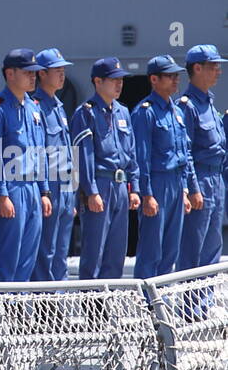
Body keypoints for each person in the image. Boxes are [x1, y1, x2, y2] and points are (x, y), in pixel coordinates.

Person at [70, 57, 138, 280]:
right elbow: (84, 156)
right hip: (100, 184)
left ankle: (110, 309)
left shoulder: (123, 112)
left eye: (121, 80)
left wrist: (134, 187)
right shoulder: (86, 113)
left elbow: (131, 153)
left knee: (116, 252)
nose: (119, 84)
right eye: (113, 80)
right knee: (94, 252)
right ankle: (93, 310)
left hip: (120, 186)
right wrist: (90, 191)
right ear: (97, 81)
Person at [0, 48, 49, 282]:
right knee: (7, 255)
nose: (33, 77)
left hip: (32, 188)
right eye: (27, 72)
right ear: (10, 74)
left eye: (35, 72)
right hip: (12, 188)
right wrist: (2, 194)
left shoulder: (33, 108)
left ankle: (19, 310)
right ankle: (0, 311)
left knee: (28, 257)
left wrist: (44, 191)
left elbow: (39, 151)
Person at [132, 55, 195, 279]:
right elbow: (142, 157)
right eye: (169, 76)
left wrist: (186, 190)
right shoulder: (145, 112)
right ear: (154, 79)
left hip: (177, 184)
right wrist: (147, 194)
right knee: (152, 249)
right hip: (157, 184)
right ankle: (148, 304)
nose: (176, 80)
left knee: (171, 249)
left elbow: (184, 153)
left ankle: (163, 300)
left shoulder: (177, 112)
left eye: (176, 75)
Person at [177, 45, 227, 269]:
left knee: (212, 246)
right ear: (197, 68)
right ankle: (191, 304)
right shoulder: (188, 107)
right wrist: (193, 188)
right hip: (201, 181)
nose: (219, 71)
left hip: (216, 180)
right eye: (213, 66)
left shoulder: (209, 103)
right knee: (193, 247)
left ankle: (205, 302)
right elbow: (185, 151)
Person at [31, 48, 76, 281]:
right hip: (50, 185)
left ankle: (59, 300)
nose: (62, 75)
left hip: (65, 187)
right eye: (57, 70)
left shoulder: (58, 106)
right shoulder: (36, 106)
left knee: (61, 252)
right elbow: (37, 153)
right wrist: (44, 191)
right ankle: (45, 308)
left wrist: (72, 195)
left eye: (63, 70)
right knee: (46, 250)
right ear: (41, 74)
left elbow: (67, 150)